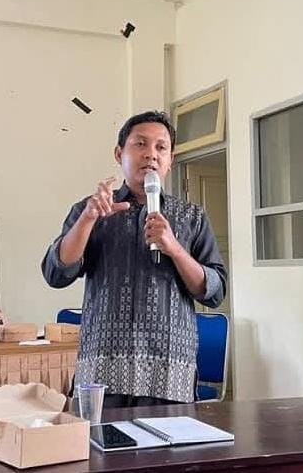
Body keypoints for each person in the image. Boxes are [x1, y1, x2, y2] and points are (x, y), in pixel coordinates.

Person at [41, 110, 227, 407]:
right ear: (119, 153)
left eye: (160, 147)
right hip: (104, 373)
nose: (151, 155)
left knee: (169, 453)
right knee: (99, 452)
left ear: (170, 160)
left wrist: (174, 249)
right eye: (140, 144)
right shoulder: (91, 210)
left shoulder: (192, 217)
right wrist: (88, 220)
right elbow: (56, 273)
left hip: (168, 375)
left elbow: (215, 290)